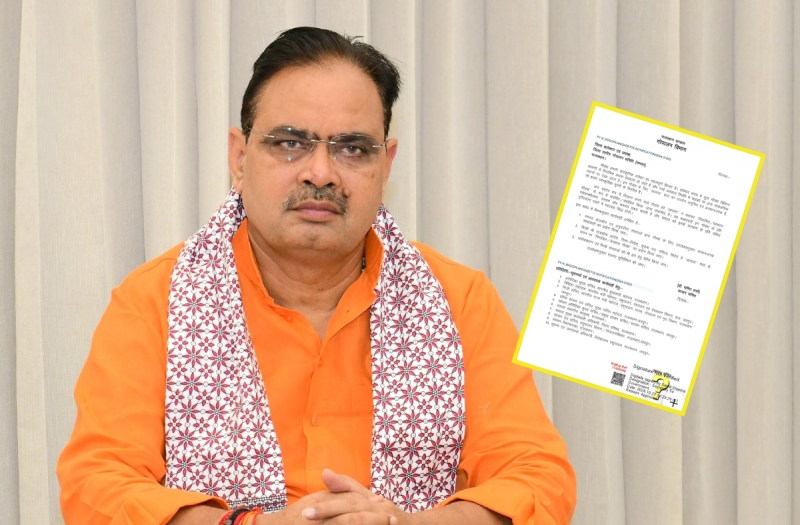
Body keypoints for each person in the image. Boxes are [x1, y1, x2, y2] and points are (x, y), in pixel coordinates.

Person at [57, 26, 576, 524]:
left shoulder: (458, 301)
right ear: (239, 157)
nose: (321, 173)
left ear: (386, 166)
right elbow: (98, 485)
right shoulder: (158, 300)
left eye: (353, 148)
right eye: (290, 142)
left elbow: (536, 478)